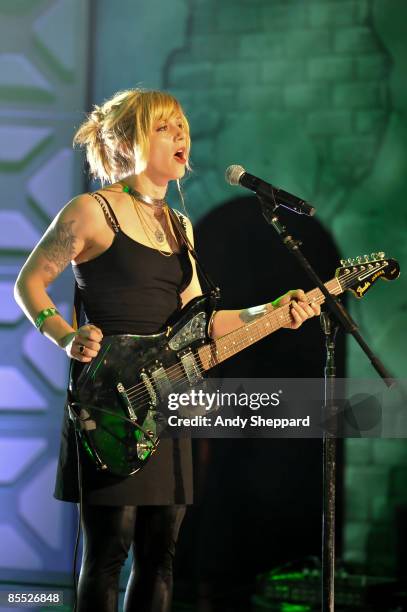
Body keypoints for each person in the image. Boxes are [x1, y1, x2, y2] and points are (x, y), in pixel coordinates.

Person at [14, 88, 320, 612]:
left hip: (169, 397)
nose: (182, 135)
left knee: (162, 553)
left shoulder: (181, 228)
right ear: (133, 139)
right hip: (110, 400)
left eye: (183, 126)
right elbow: (29, 283)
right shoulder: (90, 212)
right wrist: (64, 334)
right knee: (110, 551)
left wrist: (270, 311)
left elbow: (201, 324)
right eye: (166, 127)